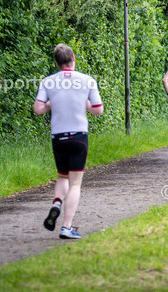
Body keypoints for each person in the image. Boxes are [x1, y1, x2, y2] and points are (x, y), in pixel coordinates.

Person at [33, 43, 103, 240]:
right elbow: (98, 109)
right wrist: (85, 104)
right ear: (73, 58)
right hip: (79, 136)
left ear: (56, 62)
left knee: (63, 177)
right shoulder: (87, 80)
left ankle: (56, 202)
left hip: (58, 137)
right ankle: (66, 227)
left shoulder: (48, 81)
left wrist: (51, 103)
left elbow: (38, 110)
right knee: (75, 184)